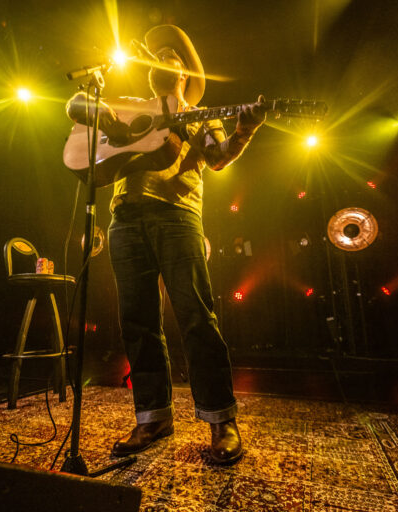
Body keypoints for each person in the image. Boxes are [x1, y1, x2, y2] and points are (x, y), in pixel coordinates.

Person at [66, 25, 265, 464]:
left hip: (177, 216)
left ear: (184, 73)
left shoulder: (200, 114)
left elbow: (218, 157)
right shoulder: (130, 105)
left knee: (196, 317)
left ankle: (221, 420)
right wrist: (108, 120)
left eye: (170, 57)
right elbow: (75, 105)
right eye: (155, 57)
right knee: (137, 322)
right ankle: (152, 417)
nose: (160, 60)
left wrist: (246, 129)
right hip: (124, 219)